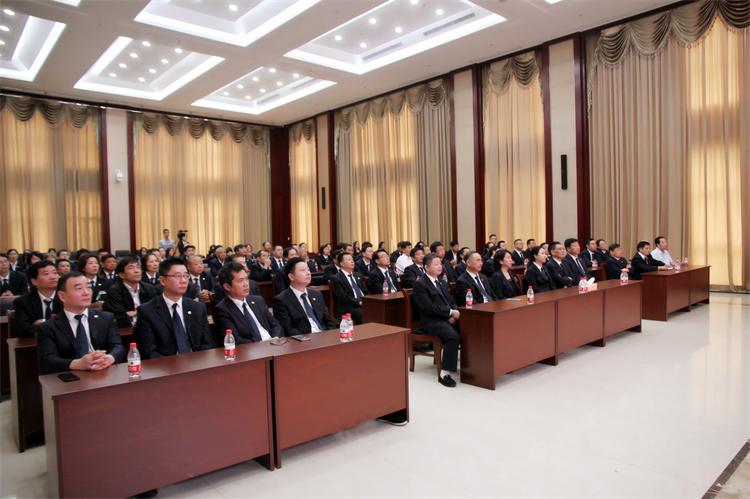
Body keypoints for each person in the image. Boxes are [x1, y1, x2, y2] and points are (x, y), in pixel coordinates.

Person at [37, 272, 125, 375]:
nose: (86, 293)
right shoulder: (48, 327)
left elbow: (117, 346)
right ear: (62, 296)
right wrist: (77, 363)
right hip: (70, 377)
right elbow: (47, 360)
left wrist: (109, 358)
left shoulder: (106, 318)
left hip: (103, 372)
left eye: (88, 287)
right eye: (79, 288)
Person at [135, 257, 214, 359]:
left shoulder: (197, 307)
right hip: (165, 365)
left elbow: (207, 343)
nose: (183, 280)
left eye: (186, 276)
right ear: (162, 280)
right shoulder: (147, 311)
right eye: (177, 276)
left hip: (196, 362)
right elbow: (148, 351)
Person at [412, 253, 461, 388]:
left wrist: (454, 314)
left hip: (446, 317)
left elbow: (451, 301)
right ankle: (444, 373)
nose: (440, 266)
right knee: (452, 336)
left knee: (471, 327)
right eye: (436, 264)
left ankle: (473, 367)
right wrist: (450, 313)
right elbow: (428, 308)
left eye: (440, 264)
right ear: (427, 267)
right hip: (431, 321)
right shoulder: (420, 284)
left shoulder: (441, 282)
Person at [212, 262, 282, 343]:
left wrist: (275, 338)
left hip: (274, 343)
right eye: (240, 281)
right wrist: (263, 344)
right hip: (252, 348)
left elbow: (275, 324)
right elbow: (236, 340)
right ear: (227, 287)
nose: (246, 284)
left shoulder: (258, 300)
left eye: (246, 279)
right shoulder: (222, 310)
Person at [273, 257, 334, 336]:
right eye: (302, 270)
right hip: (303, 339)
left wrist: (331, 335)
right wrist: (306, 339)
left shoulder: (316, 294)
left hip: (324, 336)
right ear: (291, 276)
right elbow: (288, 328)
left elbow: (328, 321)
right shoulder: (281, 300)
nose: (308, 273)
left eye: (308, 270)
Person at [11, 260, 62, 338]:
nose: (53, 277)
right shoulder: (22, 302)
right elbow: (23, 330)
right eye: (46, 274)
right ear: (34, 281)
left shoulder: (67, 298)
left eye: (55, 273)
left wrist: (43, 323)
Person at [103, 256, 158, 328]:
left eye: (138, 267)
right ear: (121, 274)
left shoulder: (149, 288)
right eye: (131, 268)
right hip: (125, 330)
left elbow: (156, 311)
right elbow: (118, 317)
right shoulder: (114, 291)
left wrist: (134, 314)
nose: (136, 271)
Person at [329, 252, 367, 324]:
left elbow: (364, 291)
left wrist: (368, 301)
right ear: (341, 263)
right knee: (362, 313)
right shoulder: (336, 278)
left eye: (352, 259)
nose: (352, 261)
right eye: (349, 260)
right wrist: (359, 302)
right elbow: (344, 297)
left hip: (363, 303)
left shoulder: (358, 275)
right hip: (348, 307)